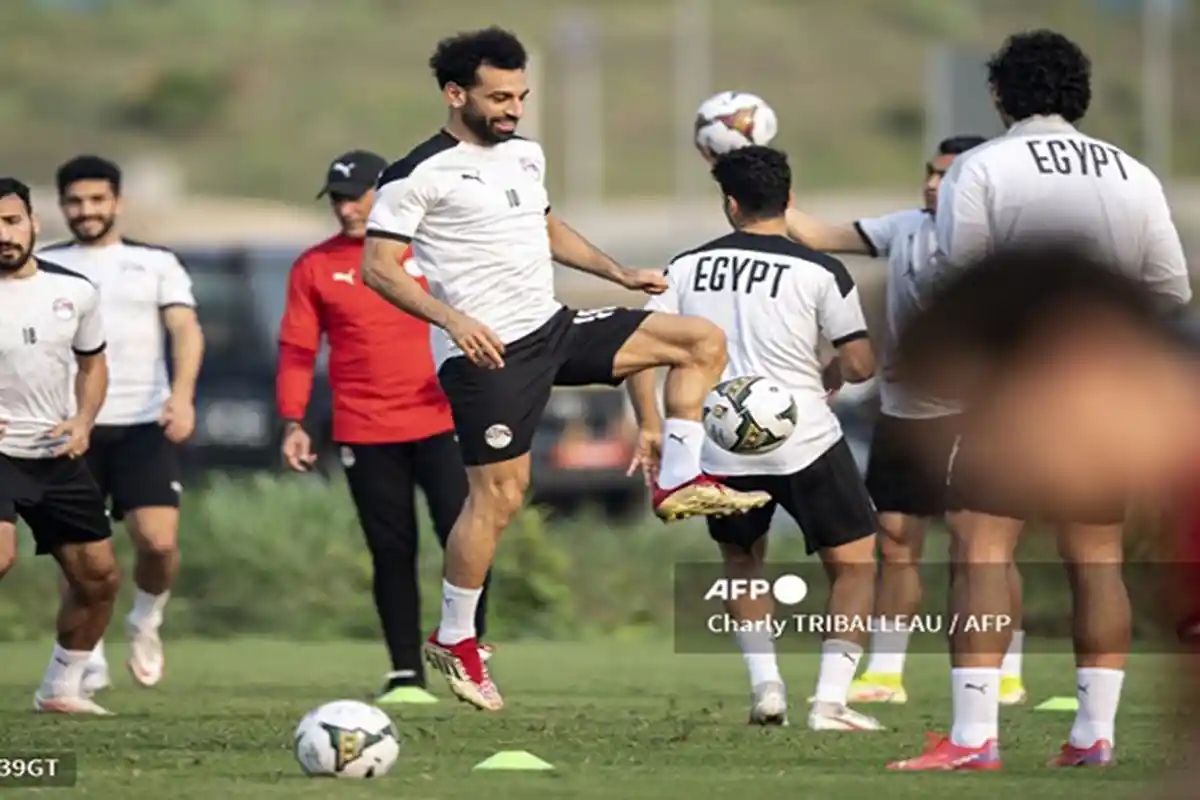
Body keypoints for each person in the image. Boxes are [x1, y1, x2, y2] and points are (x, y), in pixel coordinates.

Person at [359, 27, 772, 711]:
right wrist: (452, 319)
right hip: (484, 354)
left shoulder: (525, 154)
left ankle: (677, 476)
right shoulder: (415, 176)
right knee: (500, 497)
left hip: (552, 327)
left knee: (698, 340)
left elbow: (546, 227)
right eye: (498, 97)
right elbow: (378, 270)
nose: (513, 108)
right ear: (454, 93)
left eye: (520, 95)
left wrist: (615, 272)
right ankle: (456, 638)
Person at [889, 30, 1190, 771]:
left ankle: (972, 737)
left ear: (1000, 95)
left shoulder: (985, 164)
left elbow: (955, 278)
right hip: (1107, 397)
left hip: (1011, 390)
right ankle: (1095, 736)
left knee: (983, 550)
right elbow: (1173, 289)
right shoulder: (1132, 171)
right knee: (1098, 560)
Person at [627, 146, 883, 731]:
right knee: (855, 565)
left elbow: (638, 354)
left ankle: (767, 689)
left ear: (730, 204)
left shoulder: (684, 267)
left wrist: (652, 425)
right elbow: (863, 364)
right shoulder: (821, 271)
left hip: (719, 441)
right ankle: (829, 702)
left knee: (742, 560)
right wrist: (829, 377)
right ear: (789, 202)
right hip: (803, 439)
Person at [785, 135, 1028, 707]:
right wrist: (762, 182)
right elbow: (821, 236)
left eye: (948, 176)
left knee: (984, 551)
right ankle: (887, 674)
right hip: (905, 411)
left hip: (981, 415)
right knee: (894, 543)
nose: (933, 184)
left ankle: (1008, 671)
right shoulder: (906, 228)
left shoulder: (1004, 242)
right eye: (930, 172)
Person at [276, 148, 491, 702]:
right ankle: (404, 672)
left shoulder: (432, 252)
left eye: (357, 196)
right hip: (365, 429)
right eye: (339, 200)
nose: (348, 210)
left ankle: (470, 650)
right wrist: (293, 420)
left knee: (464, 537)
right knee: (391, 550)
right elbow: (299, 350)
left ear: (386, 192)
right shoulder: (314, 266)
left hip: (443, 421)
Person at [39, 155, 204, 692]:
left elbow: (185, 329)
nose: (85, 211)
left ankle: (146, 619)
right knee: (82, 559)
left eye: (95, 200)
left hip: (141, 422)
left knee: (157, 542)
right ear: (61, 207)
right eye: (75, 202)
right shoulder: (42, 265)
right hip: (70, 428)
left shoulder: (155, 262)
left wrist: (181, 397)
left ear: (117, 202)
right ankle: (86, 656)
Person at [0, 177, 121, 714]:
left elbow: (92, 363)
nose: (3, 235)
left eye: (10, 221)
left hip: (54, 452)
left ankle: (60, 688)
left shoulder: (75, 291)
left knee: (98, 578)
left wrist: (84, 420)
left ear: (33, 223)